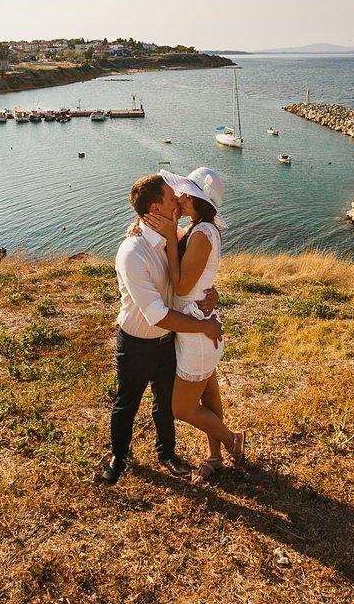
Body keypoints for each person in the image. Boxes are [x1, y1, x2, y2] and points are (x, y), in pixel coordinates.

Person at [100, 174, 222, 485]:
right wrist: (203, 326)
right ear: (155, 209)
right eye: (172, 198)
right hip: (137, 343)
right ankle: (119, 455)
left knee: (165, 403)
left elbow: (196, 271)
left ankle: (167, 453)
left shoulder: (173, 236)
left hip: (169, 340)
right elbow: (156, 314)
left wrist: (212, 293)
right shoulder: (132, 252)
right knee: (127, 402)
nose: (178, 201)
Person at [143, 168, 245, 483]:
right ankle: (215, 456)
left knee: (183, 408)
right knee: (210, 397)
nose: (180, 197)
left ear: (199, 200)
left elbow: (183, 286)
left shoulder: (202, 233)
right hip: (197, 325)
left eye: (187, 194)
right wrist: (149, 229)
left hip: (197, 332)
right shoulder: (195, 228)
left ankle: (231, 440)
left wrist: (171, 237)